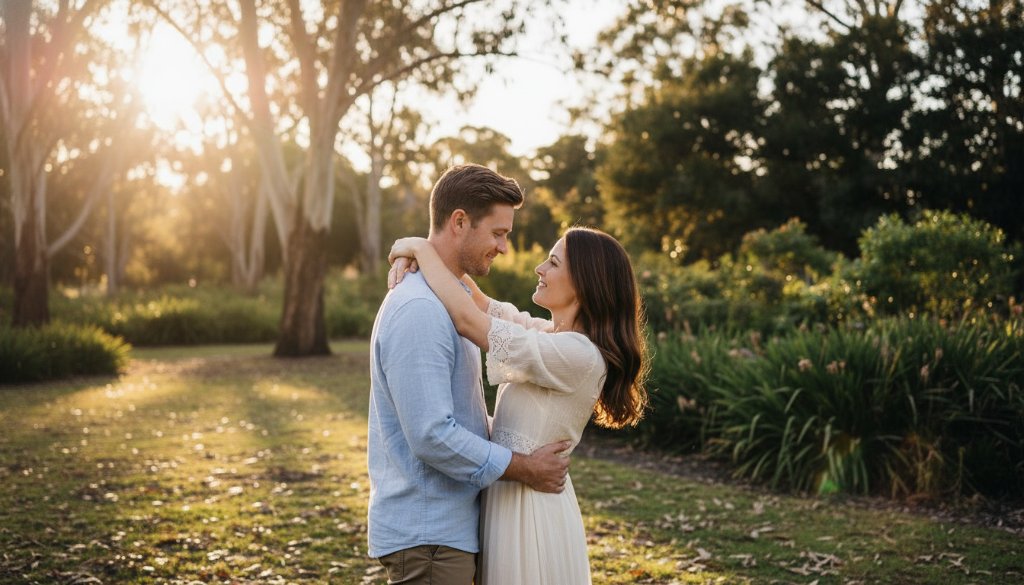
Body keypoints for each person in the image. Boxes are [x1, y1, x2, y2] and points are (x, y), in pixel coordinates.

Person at [387, 225, 650, 585]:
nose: (539, 268)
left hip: (529, 508)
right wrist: (415, 246)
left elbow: (469, 319)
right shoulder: (547, 336)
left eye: (553, 263)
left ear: (585, 283)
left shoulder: (579, 355)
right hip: (510, 494)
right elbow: (477, 301)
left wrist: (418, 247)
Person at [366, 163, 572, 585]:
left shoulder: (452, 298)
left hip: (447, 533)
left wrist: (418, 249)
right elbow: (432, 434)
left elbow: (463, 413)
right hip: (428, 538)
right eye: (498, 233)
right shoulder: (420, 309)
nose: (504, 248)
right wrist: (523, 466)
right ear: (460, 221)